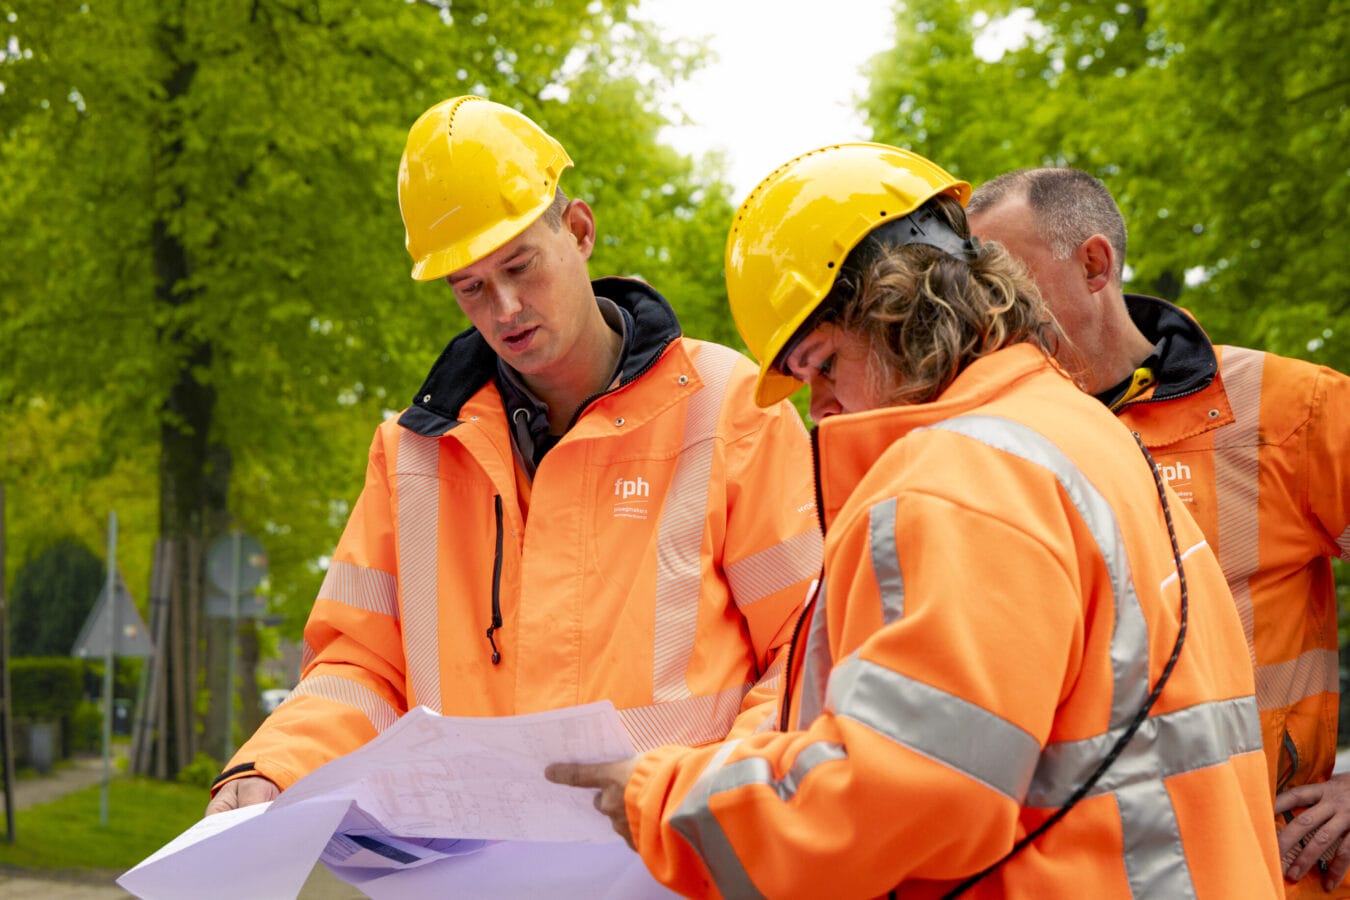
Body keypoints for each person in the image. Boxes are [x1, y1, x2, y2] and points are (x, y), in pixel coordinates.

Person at [546, 142, 1283, 898]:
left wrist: (658, 797)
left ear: (902, 305)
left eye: (824, 363)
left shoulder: (960, 478)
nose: (820, 408)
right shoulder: (1071, 432)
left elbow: (907, 792)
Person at [205, 96, 823, 814]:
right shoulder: (413, 456)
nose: (504, 309)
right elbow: (361, 666)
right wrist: (269, 768)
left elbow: (805, 652)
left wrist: (705, 806)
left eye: (520, 266)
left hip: (672, 868)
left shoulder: (732, 409)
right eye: (470, 287)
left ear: (580, 230)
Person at [966, 167, 1350, 896]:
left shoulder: (1289, 409)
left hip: (1269, 870)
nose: (990, 312)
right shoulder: (991, 444)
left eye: (1008, 280)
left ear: (1094, 264)